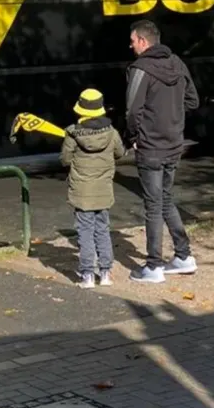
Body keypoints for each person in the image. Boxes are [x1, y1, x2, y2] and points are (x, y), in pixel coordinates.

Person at [125, 19, 199, 284]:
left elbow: (132, 111)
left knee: (153, 205)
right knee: (165, 200)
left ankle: (154, 266)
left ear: (143, 41)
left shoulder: (140, 69)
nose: (131, 46)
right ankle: (183, 256)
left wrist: (134, 137)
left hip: (150, 146)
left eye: (132, 41)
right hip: (174, 143)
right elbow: (193, 100)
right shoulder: (177, 63)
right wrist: (173, 116)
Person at [61, 88, 125, 288]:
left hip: (82, 192)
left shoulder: (72, 133)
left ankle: (87, 275)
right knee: (103, 230)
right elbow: (120, 153)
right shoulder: (112, 132)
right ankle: (105, 273)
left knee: (85, 232)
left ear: (80, 109)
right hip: (103, 190)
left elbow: (65, 160)